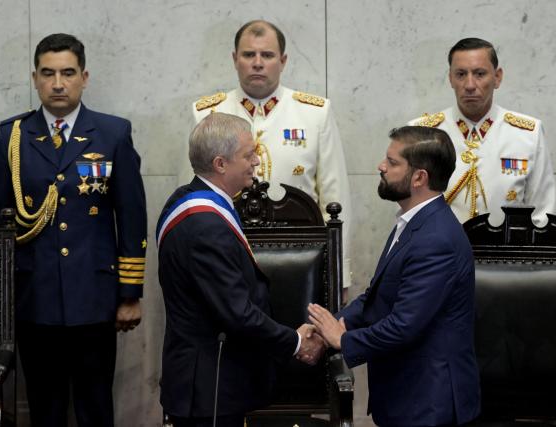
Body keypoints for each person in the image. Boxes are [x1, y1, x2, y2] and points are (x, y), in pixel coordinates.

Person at [0, 33, 147, 427]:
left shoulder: (112, 134)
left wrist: (130, 294)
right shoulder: (13, 137)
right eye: (48, 73)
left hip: (95, 298)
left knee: (95, 407)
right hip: (34, 298)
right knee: (45, 409)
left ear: (84, 77)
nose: (58, 83)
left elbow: (131, 217)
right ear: (35, 78)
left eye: (68, 73)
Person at [157, 112, 325, 427]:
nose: (256, 163)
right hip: (210, 388)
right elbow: (237, 313)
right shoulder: (205, 225)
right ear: (221, 164)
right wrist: (296, 342)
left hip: (214, 380)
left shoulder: (185, 199)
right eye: (248, 156)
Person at [308, 126, 480, 427]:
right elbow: (378, 295)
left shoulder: (436, 238)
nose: (381, 166)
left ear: (419, 178)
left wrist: (343, 339)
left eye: (393, 162)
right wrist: (335, 324)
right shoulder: (415, 222)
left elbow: (404, 325)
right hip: (407, 396)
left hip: (428, 402)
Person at [185, 20, 353, 291]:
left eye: (267, 55)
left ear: (283, 60)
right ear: (234, 59)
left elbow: (335, 198)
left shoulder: (314, 113)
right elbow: (192, 199)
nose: (258, 63)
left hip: (299, 261)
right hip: (224, 257)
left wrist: (339, 274)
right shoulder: (206, 114)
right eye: (249, 54)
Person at [410, 37, 556, 226]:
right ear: (450, 79)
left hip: (507, 253)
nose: (470, 85)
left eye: (479, 74)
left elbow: (542, 214)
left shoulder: (528, 134)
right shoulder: (421, 133)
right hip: (440, 254)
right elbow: (409, 213)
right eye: (461, 74)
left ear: (497, 77)